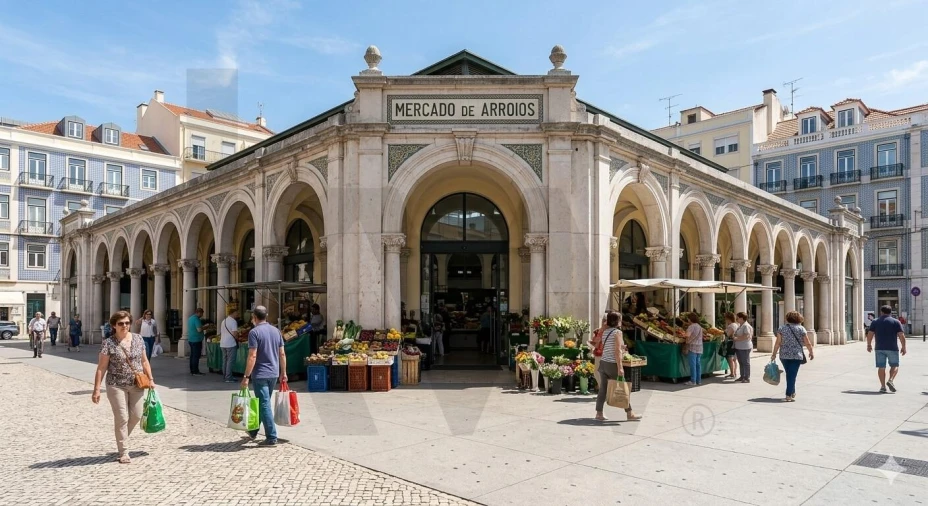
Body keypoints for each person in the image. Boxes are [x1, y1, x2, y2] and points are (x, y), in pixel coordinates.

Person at [92, 311, 155, 464]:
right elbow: (101, 367)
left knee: (137, 415)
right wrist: (96, 389)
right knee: (121, 418)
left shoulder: (138, 339)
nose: (125, 326)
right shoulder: (109, 343)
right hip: (115, 384)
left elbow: (144, 361)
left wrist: (151, 379)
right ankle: (123, 451)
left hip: (136, 383)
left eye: (127, 323)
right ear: (114, 325)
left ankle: (122, 439)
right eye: (121, 323)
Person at [241, 305, 286, 446]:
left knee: (264, 403)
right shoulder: (276, 331)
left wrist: (246, 376)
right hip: (273, 372)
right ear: (266, 316)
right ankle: (253, 431)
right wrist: (283, 372)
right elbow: (282, 353)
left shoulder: (254, 333)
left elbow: (252, 355)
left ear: (254, 317)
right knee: (263, 402)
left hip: (260, 373)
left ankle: (272, 436)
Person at [594, 311, 641, 421]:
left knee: (603, 389)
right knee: (623, 388)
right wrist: (620, 367)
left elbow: (609, 346)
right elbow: (616, 351)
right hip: (612, 364)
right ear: (617, 321)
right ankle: (630, 413)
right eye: (620, 319)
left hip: (604, 362)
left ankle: (599, 413)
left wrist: (621, 347)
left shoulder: (605, 332)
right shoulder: (617, 332)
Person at [772, 311, 815, 402]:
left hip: (784, 355)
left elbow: (777, 343)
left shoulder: (782, 328)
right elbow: (807, 342)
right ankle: (788, 394)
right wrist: (811, 352)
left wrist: (774, 354)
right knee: (792, 375)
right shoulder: (801, 329)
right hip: (796, 355)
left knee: (790, 374)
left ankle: (792, 391)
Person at [866, 305, 907, 393]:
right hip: (892, 347)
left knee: (881, 367)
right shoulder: (896, 322)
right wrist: (904, 347)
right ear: (890, 312)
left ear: (881, 312)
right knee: (895, 365)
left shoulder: (875, 321)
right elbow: (901, 335)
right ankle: (891, 380)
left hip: (879, 348)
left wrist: (869, 345)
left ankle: (883, 386)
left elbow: (870, 334)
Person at [588, 314, 609, 393]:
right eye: (603, 320)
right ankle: (603, 390)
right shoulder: (597, 331)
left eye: (605, 321)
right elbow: (595, 342)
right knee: (597, 373)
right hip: (599, 353)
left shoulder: (608, 331)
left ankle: (604, 391)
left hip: (604, 353)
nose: (604, 322)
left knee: (600, 373)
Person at [733, 312, 754, 383]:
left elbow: (746, 336)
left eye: (737, 318)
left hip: (744, 346)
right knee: (741, 362)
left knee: (745, 362)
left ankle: (747, 377)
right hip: (739, 346)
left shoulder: (746, 326)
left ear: (741, 318)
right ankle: (742, 376)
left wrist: (736, 338)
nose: (736, 319)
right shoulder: (740, 325)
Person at [220, 309, 240, 383]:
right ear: (233, 313)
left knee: (225, 360)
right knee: (230, 361)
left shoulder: (223, 321)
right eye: (236, 313)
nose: (237, 314)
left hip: (222, 343)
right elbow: (235, 333)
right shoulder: (233, 321)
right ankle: (228, 377)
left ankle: (225, 375)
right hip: (230, 343)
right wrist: (238, 338)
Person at [685, 312, 704, 386]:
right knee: (698, 364)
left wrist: (685, 333)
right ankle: (698, 380)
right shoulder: (699, 326)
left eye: (688, 319)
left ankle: (693, 381)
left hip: (692, 346)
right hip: (699, 347)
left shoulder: (691, 326)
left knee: (692, 364)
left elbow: (687, 335)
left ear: (690, 319)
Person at [187, 308, 205, 375]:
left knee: (192, 355)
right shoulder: (196, 319)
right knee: (196, 356)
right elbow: (199, 330)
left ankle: (192, 370)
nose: (202, 315)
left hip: (191, 339)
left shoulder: (190, 318)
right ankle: (195, 371)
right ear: (199, 313)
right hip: (196, 340)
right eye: (202, 313)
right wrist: (205, 327)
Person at [723, 313, 738, 379]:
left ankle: (732, 373)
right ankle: (734, 372)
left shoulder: (731, 325)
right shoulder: (736, 325)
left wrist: (723, 332)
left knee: (730, 358)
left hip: (730, 343)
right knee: (734, 359)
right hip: (734, 343)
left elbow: (728, 334)